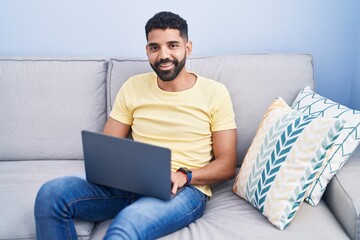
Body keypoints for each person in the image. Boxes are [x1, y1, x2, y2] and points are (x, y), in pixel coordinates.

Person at [34, 11, 237, 240]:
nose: (164, 55)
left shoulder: (215, 93)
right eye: (154, 47)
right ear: (147, 50)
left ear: (187, 48)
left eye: (173, 45)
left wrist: (185, 176)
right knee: (50, 195)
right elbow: (108, 146)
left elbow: (227, 164)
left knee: (126, 226)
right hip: (130, 184)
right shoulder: (133, 87)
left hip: (183, 189)